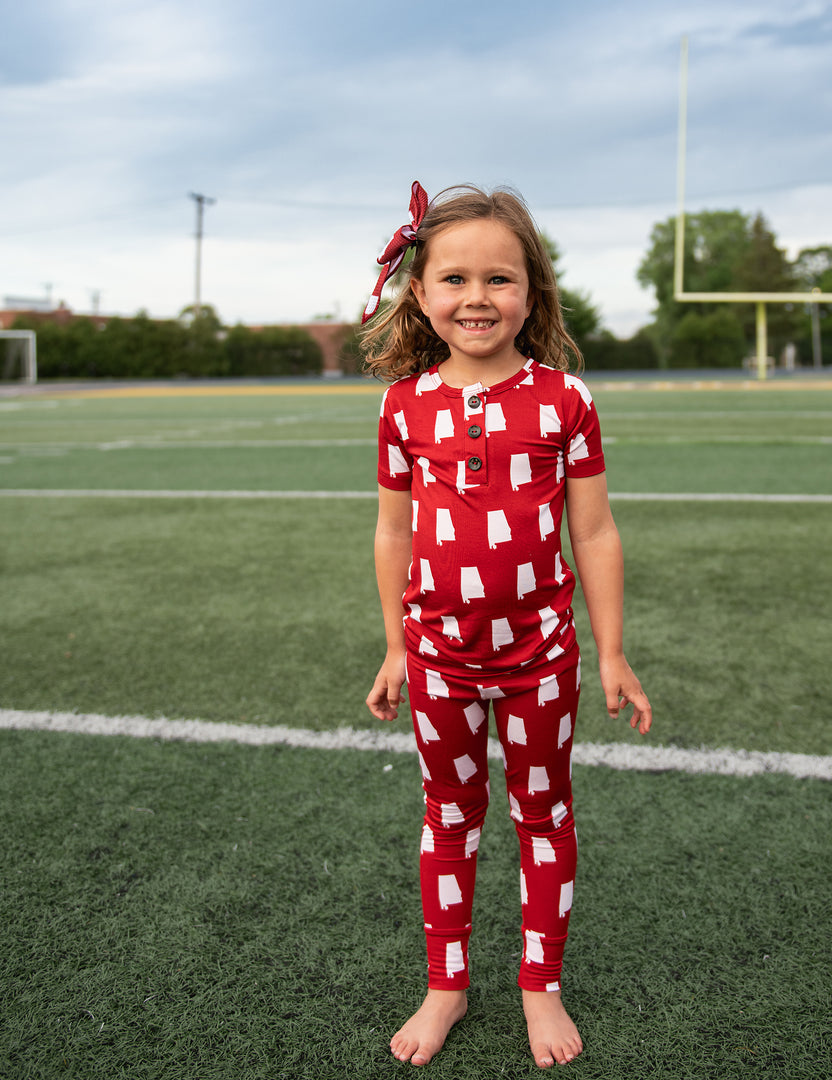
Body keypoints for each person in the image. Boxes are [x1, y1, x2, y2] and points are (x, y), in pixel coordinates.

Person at [363, 182, 652, 1069]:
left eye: (500, 278)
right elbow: (393, 529)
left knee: (543, 813)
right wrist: (395, 645)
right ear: (421, 293)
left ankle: (540, 984)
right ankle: (445, 985)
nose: (477, 297)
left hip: (541, 656)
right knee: (447, 815)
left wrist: (610, 649)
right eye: (454, 279)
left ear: (533, 291)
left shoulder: (565, 400)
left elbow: (593, 530)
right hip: (442, 659)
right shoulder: (403, 406)